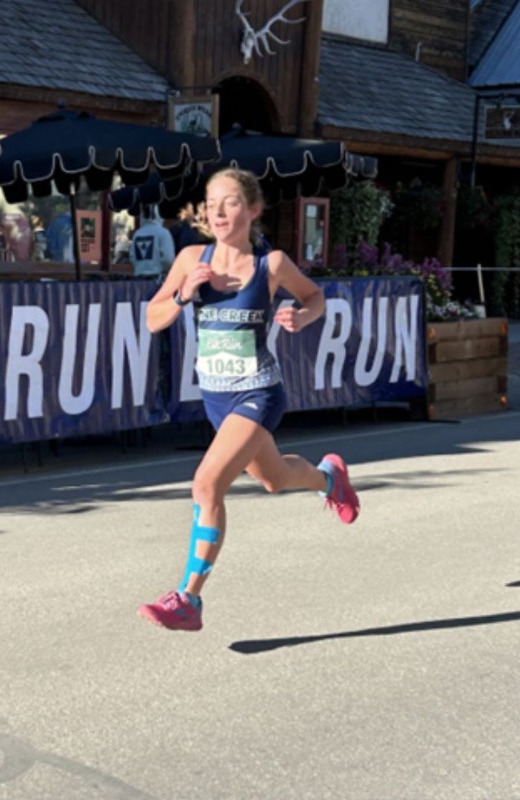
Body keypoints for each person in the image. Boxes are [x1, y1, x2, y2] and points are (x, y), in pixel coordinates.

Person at [137, 168, 360, 632]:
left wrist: (303, 315)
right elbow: (152, 320)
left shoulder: (271, 265)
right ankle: (328, 479)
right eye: (211, 203)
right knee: (275, 480)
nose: (217, 211)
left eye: (230, 202)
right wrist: (182, 295)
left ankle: (188, 599)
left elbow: (316, 296)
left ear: (253, 210)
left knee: (206, 484)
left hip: (258, 391)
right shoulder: (189, 259)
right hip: (216, 399)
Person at [129, 205, 176, 278]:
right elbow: (168, 259)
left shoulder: (137, 234)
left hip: (138, 280)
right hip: (158, 279)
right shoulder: (163, 232)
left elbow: (132, 257)